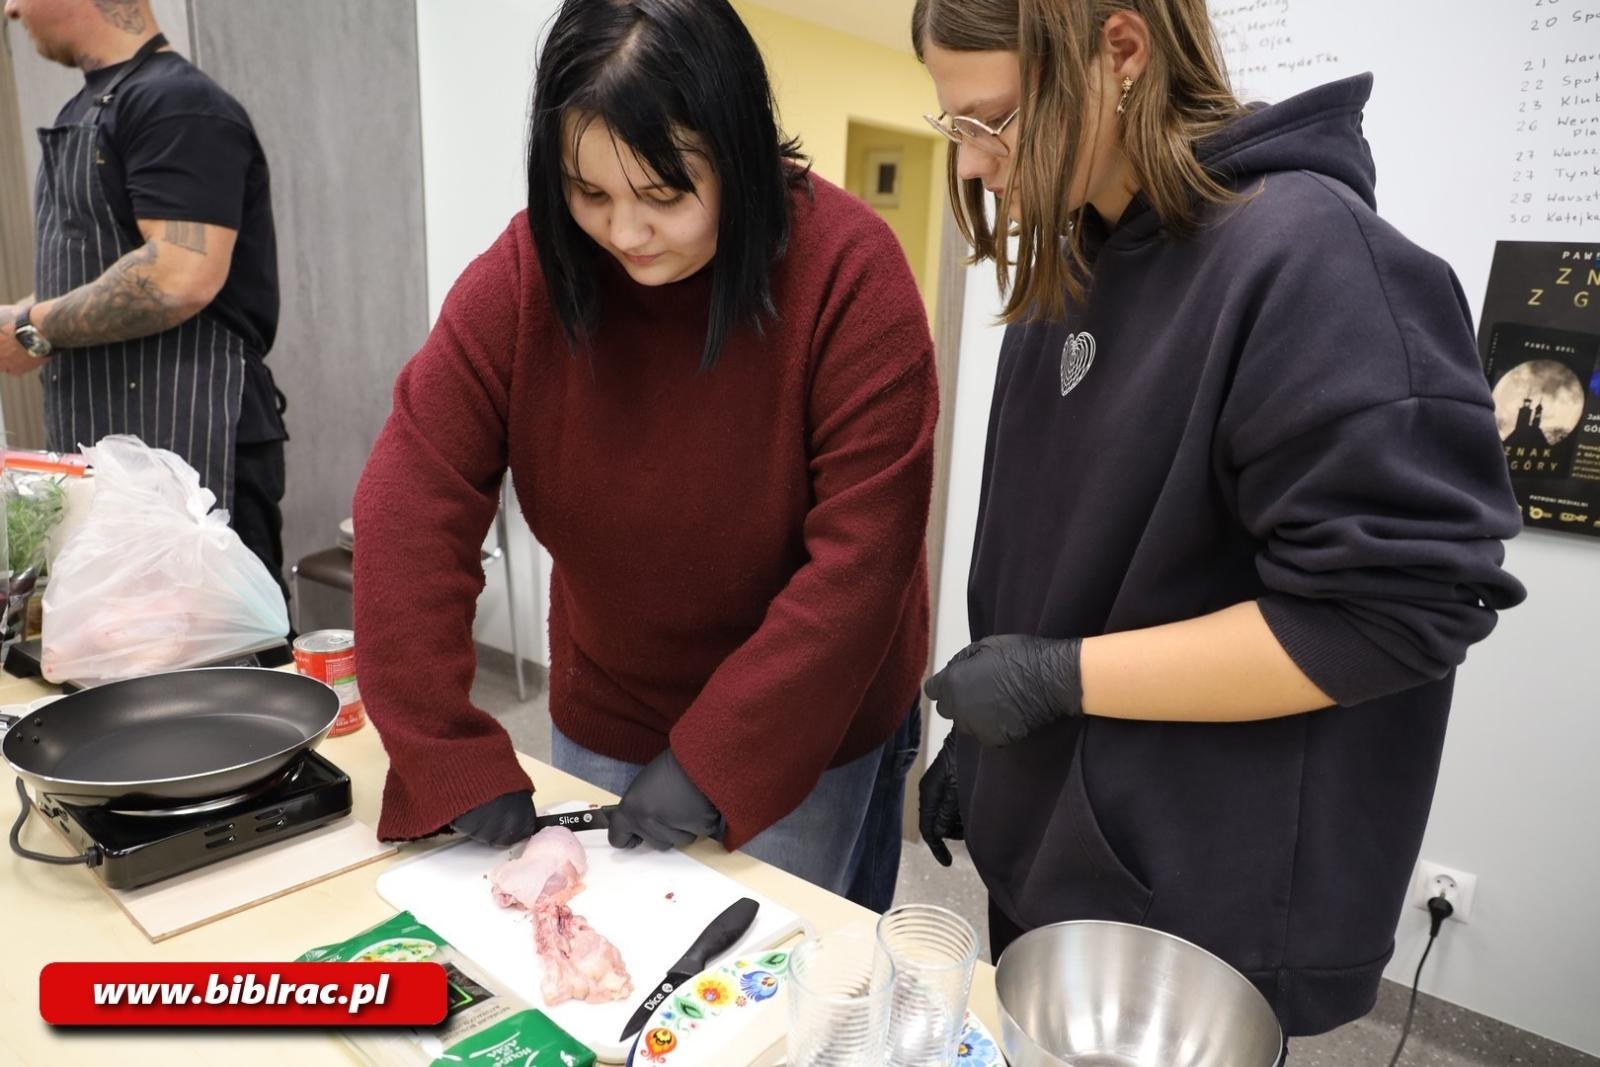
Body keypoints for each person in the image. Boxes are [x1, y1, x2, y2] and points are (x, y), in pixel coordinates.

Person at [910, 0, 1526, 1039]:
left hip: (1188, 896)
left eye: (995, 122)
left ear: (1120, 52)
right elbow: (1072, 564)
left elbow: (1394, 612)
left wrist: (1056, 679)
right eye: (955, 127)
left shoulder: (1310, 262)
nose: (973, 166)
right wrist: (987, 748)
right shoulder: (1077, 257)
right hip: (1055, 840)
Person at [353, 0, 936, 912]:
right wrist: (444, 749)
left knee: (766, 990)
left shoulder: (851, 274)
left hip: (807, 710)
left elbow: (863, 564)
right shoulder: (527, 275)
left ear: (740, 155)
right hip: (612, 689)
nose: (625, 233)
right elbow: (413, 497)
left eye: (664, 196)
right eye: (591, 195)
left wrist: (719, 758)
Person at [0, 0, 289, 600]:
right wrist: (23, 319)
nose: (11, 9)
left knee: (221, 662)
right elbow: (108, 270)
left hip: (193, 436)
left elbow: (176, 276)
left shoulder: (177, 104)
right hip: (117, 450)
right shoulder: (89, 107)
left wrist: (34, 326)